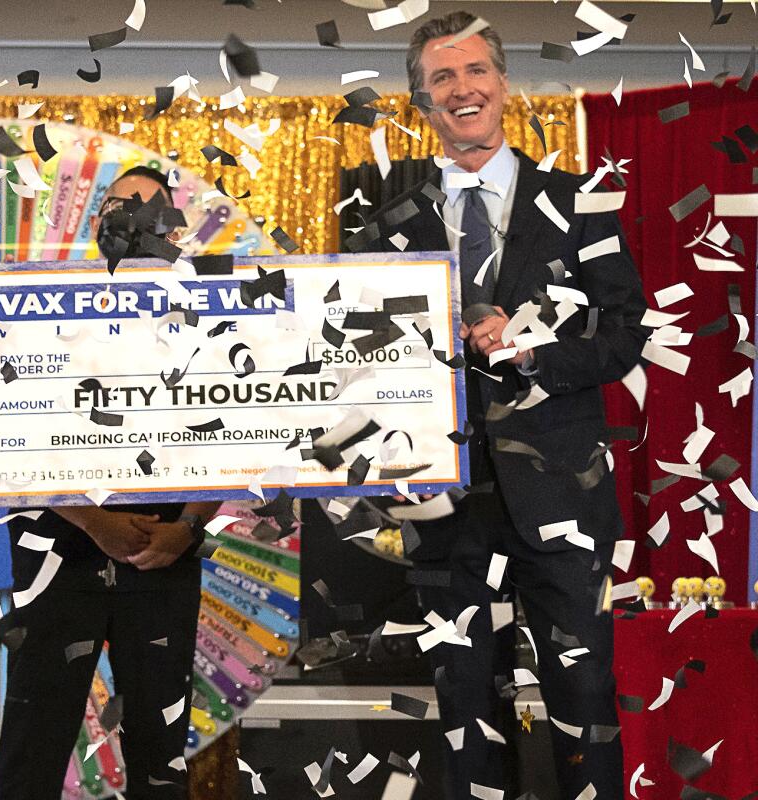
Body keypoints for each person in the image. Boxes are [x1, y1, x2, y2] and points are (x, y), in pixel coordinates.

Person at [354, 13, 645, 799]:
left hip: (565, 498)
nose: (463, 88)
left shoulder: (580, 201)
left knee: (585, 704)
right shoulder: (385, 226)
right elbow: (353, 363)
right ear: (421, 103)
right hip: (444, 506)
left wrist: (534, 350)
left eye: (476, 70)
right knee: (466, 715)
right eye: (442, 78)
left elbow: (624, 334)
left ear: (505, 84)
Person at [0, 166, 218, 800]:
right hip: (58, 552)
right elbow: (11, 429)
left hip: (166, 553)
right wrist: (93, 521)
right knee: (34, 737)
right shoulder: (44, 307)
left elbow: (240, 429)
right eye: (115, 205)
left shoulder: (206, 313)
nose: (126, 220)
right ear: (96, 222)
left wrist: (185, 528)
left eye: (144, 210)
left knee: (160, 744)